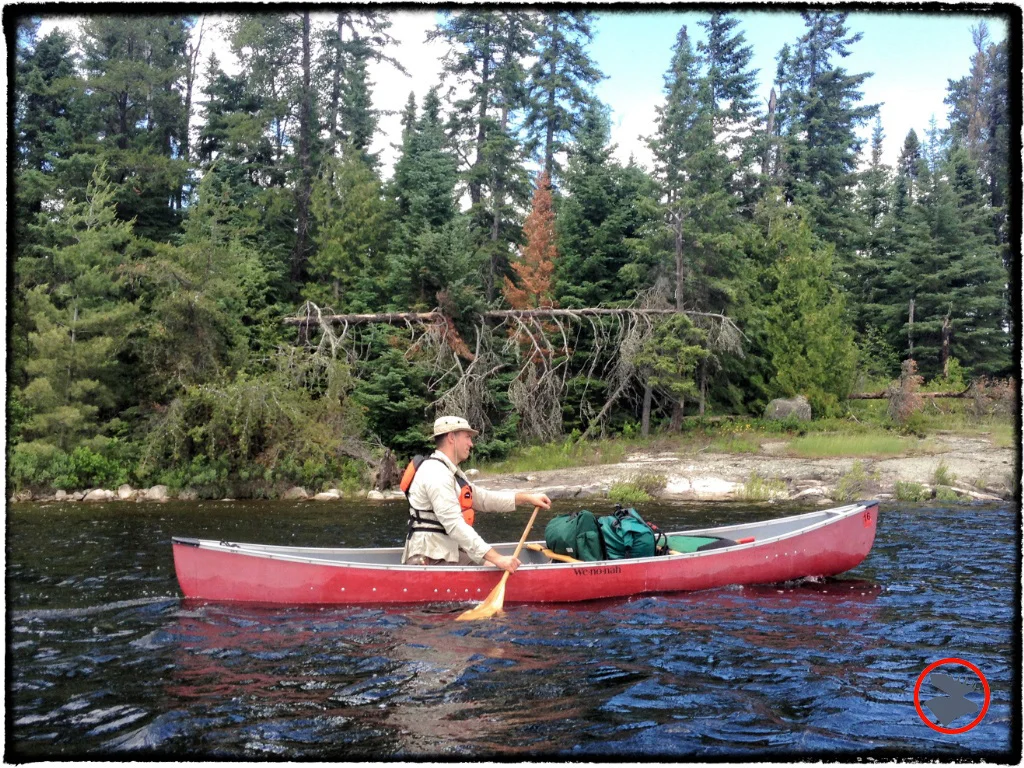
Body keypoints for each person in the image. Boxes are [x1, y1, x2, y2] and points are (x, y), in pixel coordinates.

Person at [402, 416, 551, 572]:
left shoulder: (450, 472)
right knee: (492, 565)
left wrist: (526, 498)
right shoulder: (436, 473)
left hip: (446, 552)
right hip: (431, 558)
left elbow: (484, 499)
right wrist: (497, 558)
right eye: (467, 437)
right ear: (451, 437)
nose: (471, 444)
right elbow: (455, 525)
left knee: (488, 563)